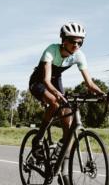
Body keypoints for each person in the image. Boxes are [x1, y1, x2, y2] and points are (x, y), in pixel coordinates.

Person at [28, 22, 104, 152]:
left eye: (80, 43)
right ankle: (38, 138)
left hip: (56, 81)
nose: (76, 45)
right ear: (63, 40)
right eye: (72, 41)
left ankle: (63, 146)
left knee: (68, 114)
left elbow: (89, 84)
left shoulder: (79, 55)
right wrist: (57, 94)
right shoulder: (51, 50)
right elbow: (46, 80)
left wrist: (103, 94)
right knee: (54, 102)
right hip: (39, 82)